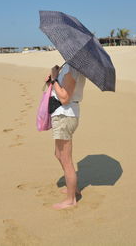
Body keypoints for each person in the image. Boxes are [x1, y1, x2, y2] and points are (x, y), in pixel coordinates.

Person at [45, 63, 86, 210]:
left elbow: (65, 98)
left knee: (66, 159)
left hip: (65, 115)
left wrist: (55, 79)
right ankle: (72, 188)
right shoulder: (70, 67)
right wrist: (53, 80)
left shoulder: (73, 68)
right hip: (64, 115)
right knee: (58, 154)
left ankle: (71, 199)